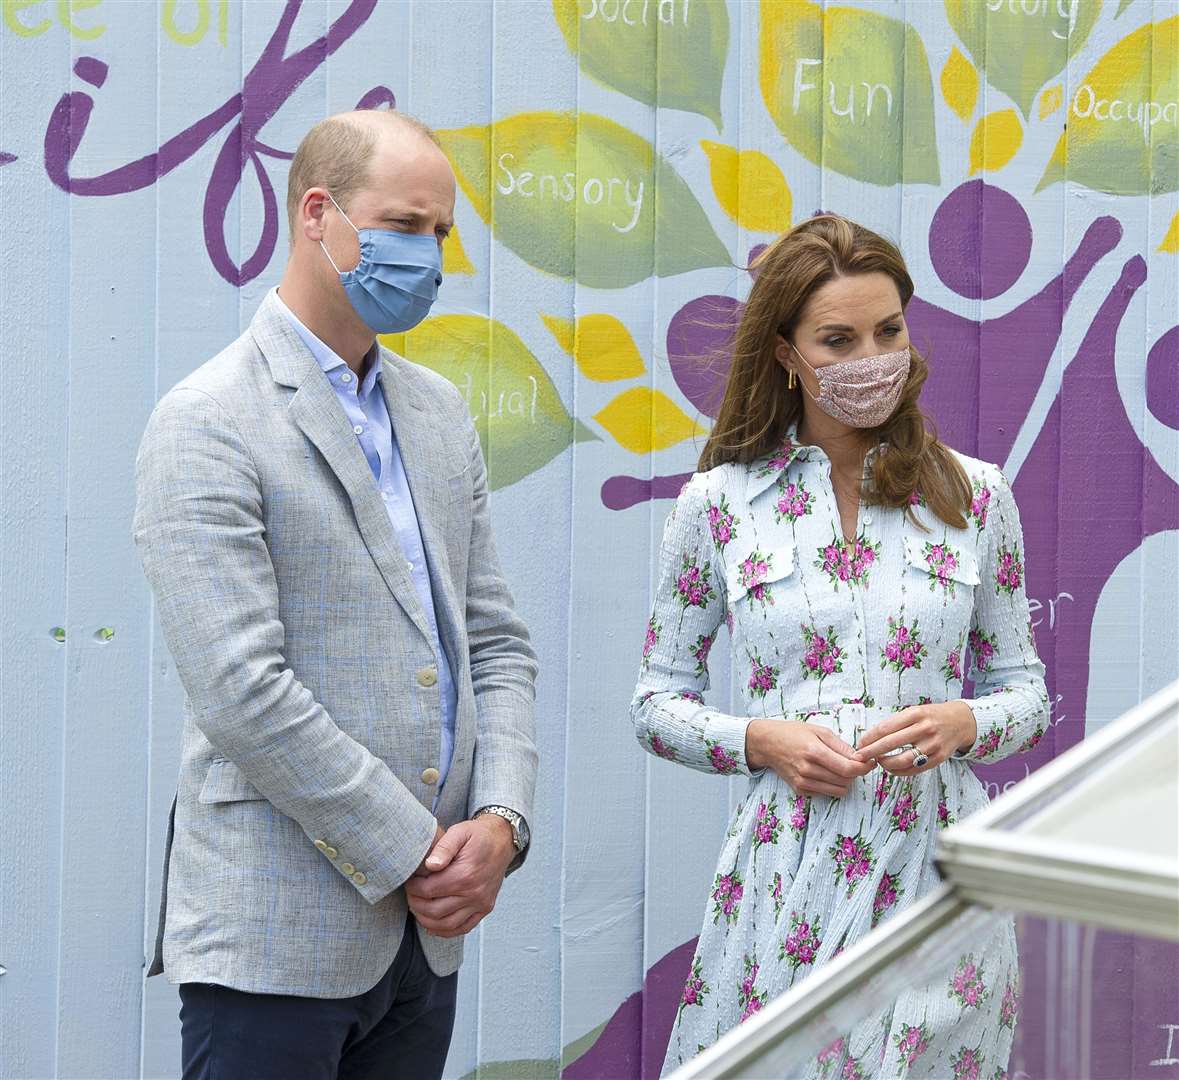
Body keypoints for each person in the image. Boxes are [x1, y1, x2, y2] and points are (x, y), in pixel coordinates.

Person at [132, 109, 538, 1080]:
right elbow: (241, 689)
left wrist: (502, 826)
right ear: (319, 213)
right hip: (276, 941)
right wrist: (420, 852)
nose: (429, 255)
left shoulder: (438, 416)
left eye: (439, 233)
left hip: (423, 952)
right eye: (406, 224)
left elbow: (495, 645)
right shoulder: (208, 421)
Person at [633, 215, 1049, 1078]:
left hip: (940, 875)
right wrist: (761, 740)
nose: (871, 357)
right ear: (786, 352)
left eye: (887, 330)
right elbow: (655, 702)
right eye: (837, 339)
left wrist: (962, 722)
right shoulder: (717, 504)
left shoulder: (976, 494)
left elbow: (1027, 692)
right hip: (784, 874)